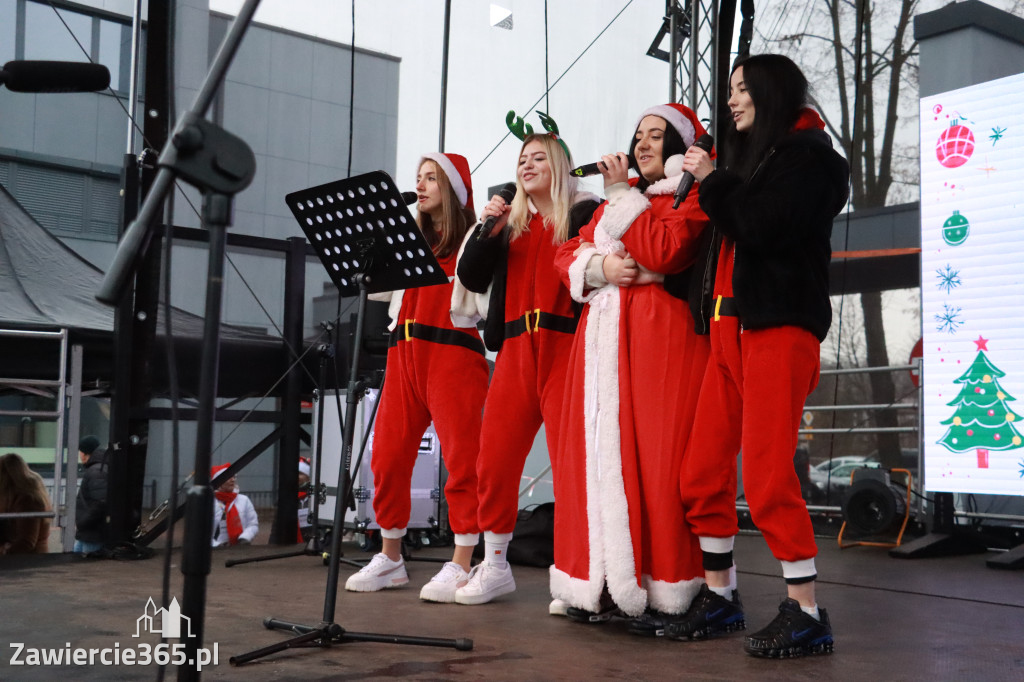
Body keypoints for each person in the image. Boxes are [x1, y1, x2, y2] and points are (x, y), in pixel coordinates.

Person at [675, 54, 849, 657]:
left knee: (770, 476)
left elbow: (761, 223)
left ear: (772, 93)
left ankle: (807, 612)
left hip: (777, 328)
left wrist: (713, 179)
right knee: (699, 472)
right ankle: (721, 598)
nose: (731, 101)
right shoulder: (756, 161)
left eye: (742, 90)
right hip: (729, 331)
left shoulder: (813, 160)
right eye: (729, 91)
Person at [550, 103, 712, 627]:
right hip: (602, 346)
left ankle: (665, 589)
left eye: (656, 135)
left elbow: (667, 251)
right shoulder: (626, 202)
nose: (642, 144)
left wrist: (622, 203)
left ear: (679, 144)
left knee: (657, 465)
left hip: (658, 345)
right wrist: (601, 266)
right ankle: (596, 583)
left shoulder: (686, 196)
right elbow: (569, 254)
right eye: (638, 135)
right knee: (596, 463)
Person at [452, 132, 599, 605]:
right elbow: (471, 276)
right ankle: (494, 563)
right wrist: (486, 225)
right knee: (493, 458)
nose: (527, 165)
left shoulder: (582, 214)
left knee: (571, 462)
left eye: (538, 158)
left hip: (563, 345)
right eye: (522, 159)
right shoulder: (508, 223)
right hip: (515, 346)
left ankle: (578, 571)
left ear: (560, 166)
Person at [344, 153, 490, 603]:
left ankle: (463, 559)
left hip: (453, 354)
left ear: (452, 187)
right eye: (419, 177)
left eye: (431, 177)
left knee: (464, 462)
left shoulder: (473, 239)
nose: (421, 185)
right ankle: (391, 558)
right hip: (403, 352)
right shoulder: (410, 242)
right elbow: (371, 283)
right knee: (387, 457)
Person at [0, 452, 52, 555]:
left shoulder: (28, 501)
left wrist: (4, 551)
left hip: (27, 563)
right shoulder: (25, 498)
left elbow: (26, 542)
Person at [74, 435, 108, 555]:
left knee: (84, 564)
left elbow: (101, 502)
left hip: (93, 533)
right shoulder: (99, 468)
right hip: (89, 532)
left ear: (84, 453)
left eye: (80, 452)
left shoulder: (96, 471)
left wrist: (82, 522)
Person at [211, 463, 259, 547]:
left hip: (239, 549)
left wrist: (245, 538)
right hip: (214, 550)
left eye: (233, 477)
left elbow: (253, 524)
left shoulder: (244, 500)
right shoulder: (208, 502)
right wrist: (217, 545)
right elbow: (199, 531)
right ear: (218, 481)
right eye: (228, 477)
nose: (233, 480)